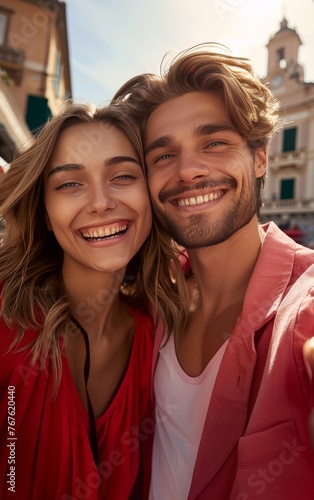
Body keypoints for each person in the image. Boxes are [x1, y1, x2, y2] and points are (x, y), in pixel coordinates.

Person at [113, 44, 314, 499]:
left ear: (260, 158)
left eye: (215, 143)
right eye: (163, 156)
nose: (188, 171)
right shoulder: (146, 298)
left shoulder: (303, 306)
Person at [0, 102, 186, 499]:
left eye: (122, 176)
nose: (101, 202)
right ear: (45, 213)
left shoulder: (154, 336)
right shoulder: (5, 322)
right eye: (69, 183)